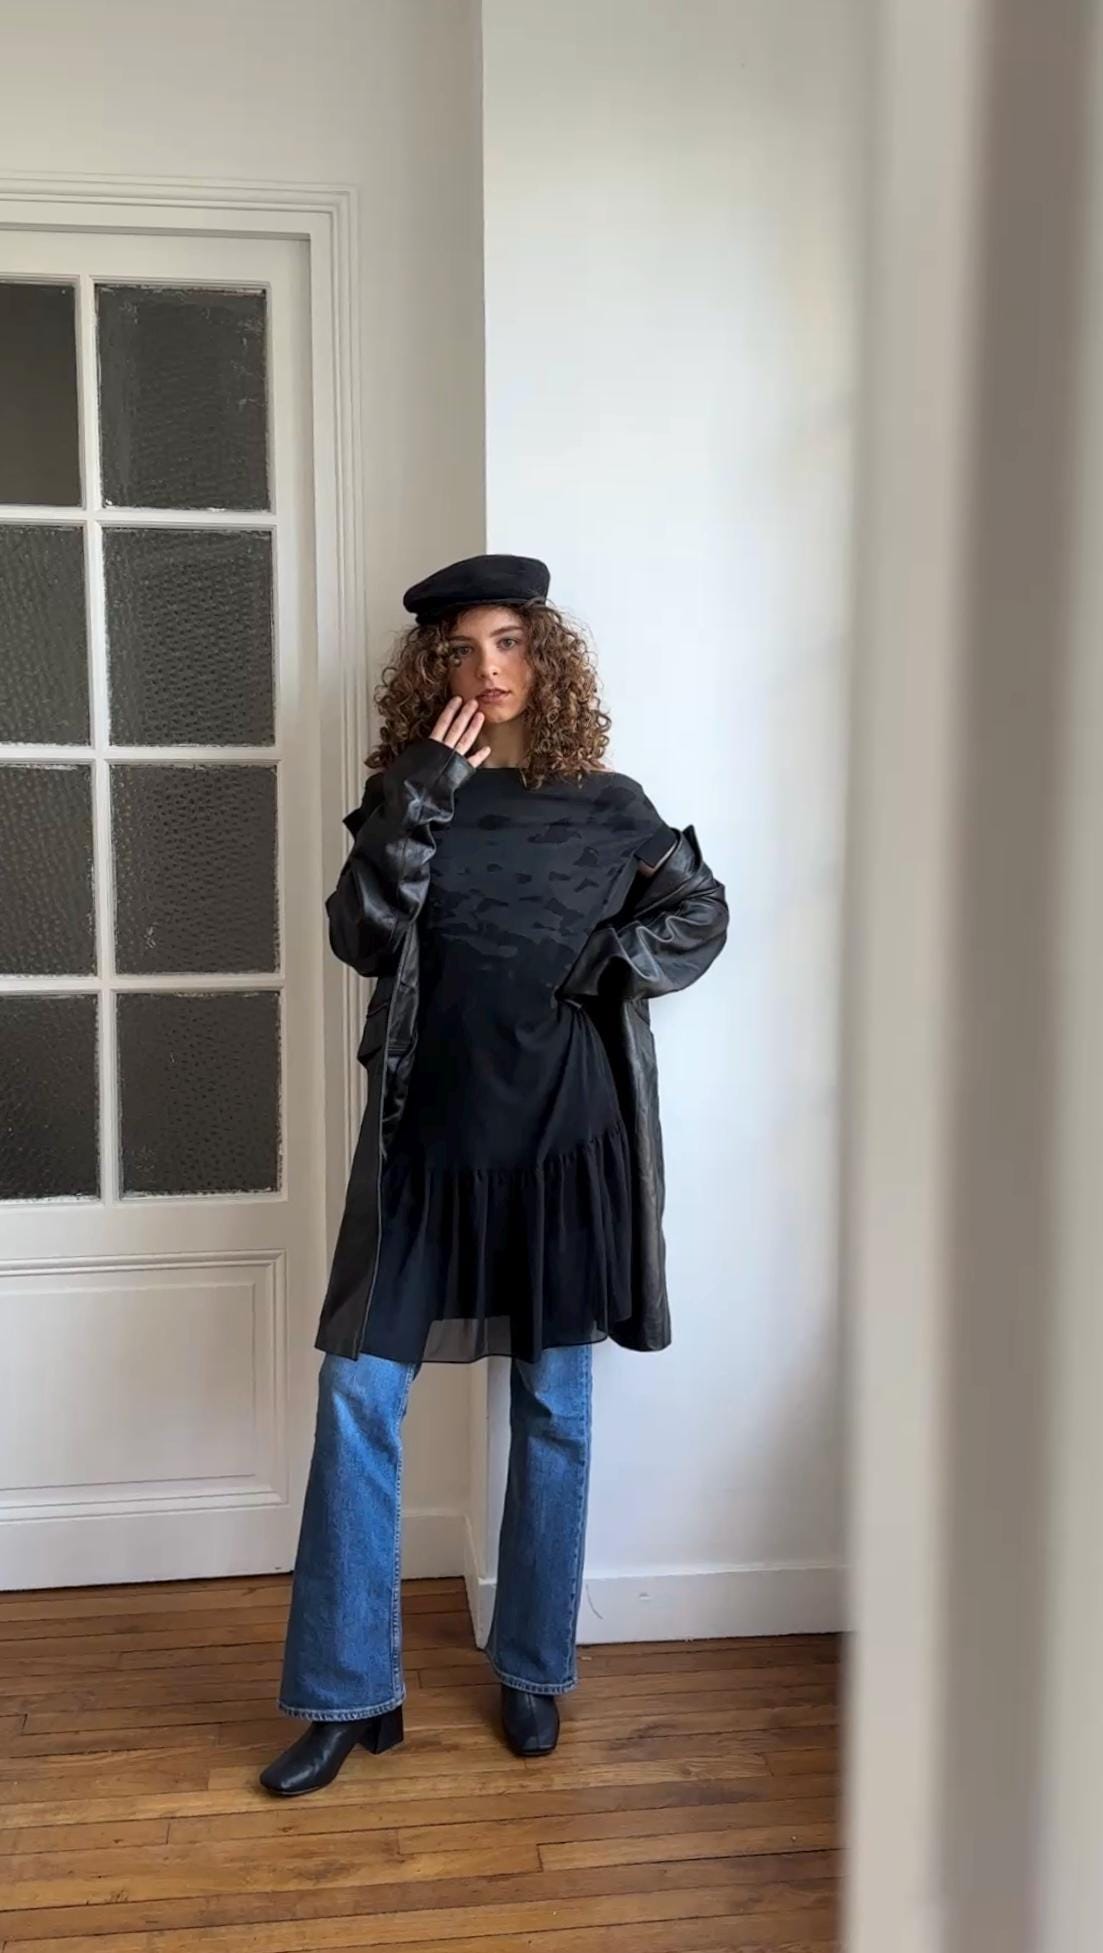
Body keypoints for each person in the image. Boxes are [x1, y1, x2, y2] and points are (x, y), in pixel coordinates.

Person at [259, 553, 728, 1795]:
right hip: (427, 1146)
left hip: (565, 1148)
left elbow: (698, 913)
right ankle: (350, 1694)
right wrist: (422, 786)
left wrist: (607, 968)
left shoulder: (608, 804)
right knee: (359, 1396)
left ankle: (531, 1668)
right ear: (434, 673)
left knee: (552, 1410)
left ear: (546, 659)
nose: (488, 670)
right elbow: (360, 937)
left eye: (509, 644)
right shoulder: (411, 795)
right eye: (463, 651)